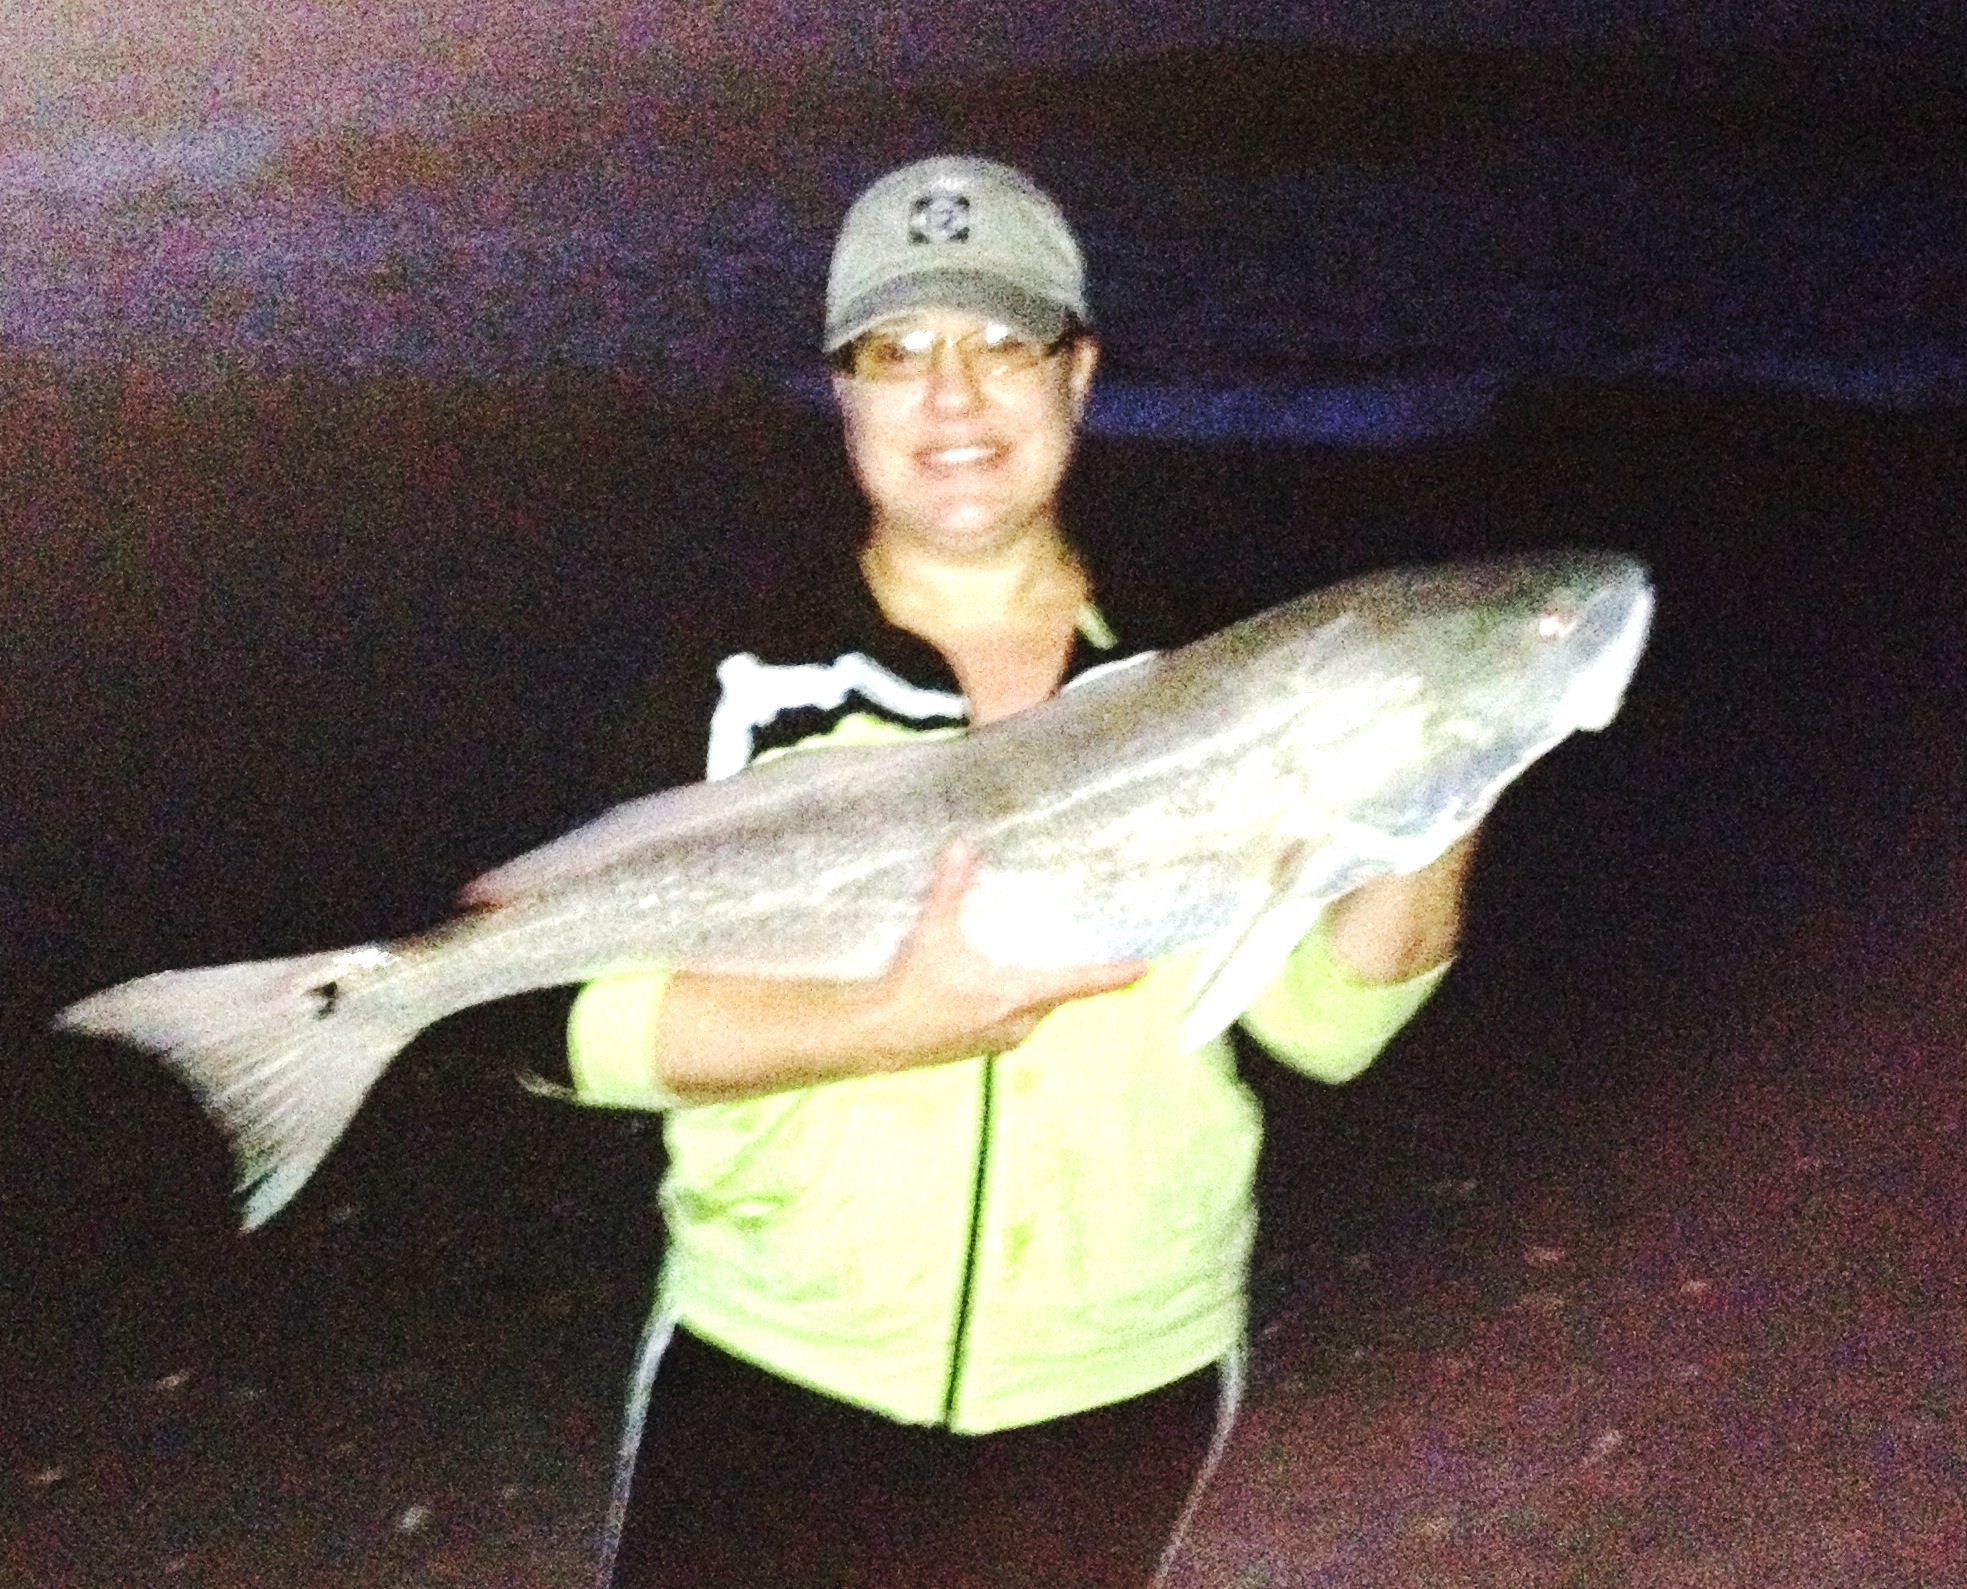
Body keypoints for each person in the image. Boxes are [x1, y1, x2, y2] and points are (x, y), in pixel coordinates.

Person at [565, 156, 1477, 1589]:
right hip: (777, 1356)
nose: (953, 399)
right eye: (896, 351)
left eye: (1003, 344)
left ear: (1080, 374)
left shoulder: (1208, 669)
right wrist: (881, 1025)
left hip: (1123, 1370)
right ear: (842, 390)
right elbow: (569, 1026)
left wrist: (1444, 777)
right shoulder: (739, 677)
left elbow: (1330, 1023)